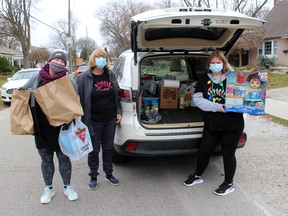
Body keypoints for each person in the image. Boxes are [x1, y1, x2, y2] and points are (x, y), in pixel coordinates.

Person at [21, 49, 78, 204]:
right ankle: (49, 188)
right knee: (46, 159)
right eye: (56, 60)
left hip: (62, 128)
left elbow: (75, 101)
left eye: (62, 62)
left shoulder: (68, 80)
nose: (58, 63)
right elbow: (24, 90)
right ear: (49, 61)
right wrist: (23, 93)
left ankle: (68, 186)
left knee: (64, 158)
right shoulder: (37, 77)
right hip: (41, 126)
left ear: (65, 65)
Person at [184, 50, 244, 196]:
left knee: (228, 153)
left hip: (232, 124)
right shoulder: (204, 79)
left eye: (219, 62)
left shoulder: (233, 78)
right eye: (213, 62)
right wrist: (218, 107)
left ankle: (228, 183)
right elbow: (197, 100)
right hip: (212, 123)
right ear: (209, 64)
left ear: (224, 63)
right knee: (204, 150)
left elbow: (245, 94)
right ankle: (198, 176)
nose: (216, 65)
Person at [75, 48, 122, 190]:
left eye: (103, 56)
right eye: (98, 56)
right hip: (93, 120)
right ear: (93, 59)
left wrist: (118, 111)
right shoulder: (84, 78)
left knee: (108, 148)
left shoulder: (110, 75)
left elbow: (117, 95)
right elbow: (71, 93)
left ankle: (109, 174)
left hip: (110, 119)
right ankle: (93, 176)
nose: (101, 58)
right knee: (94, 150)